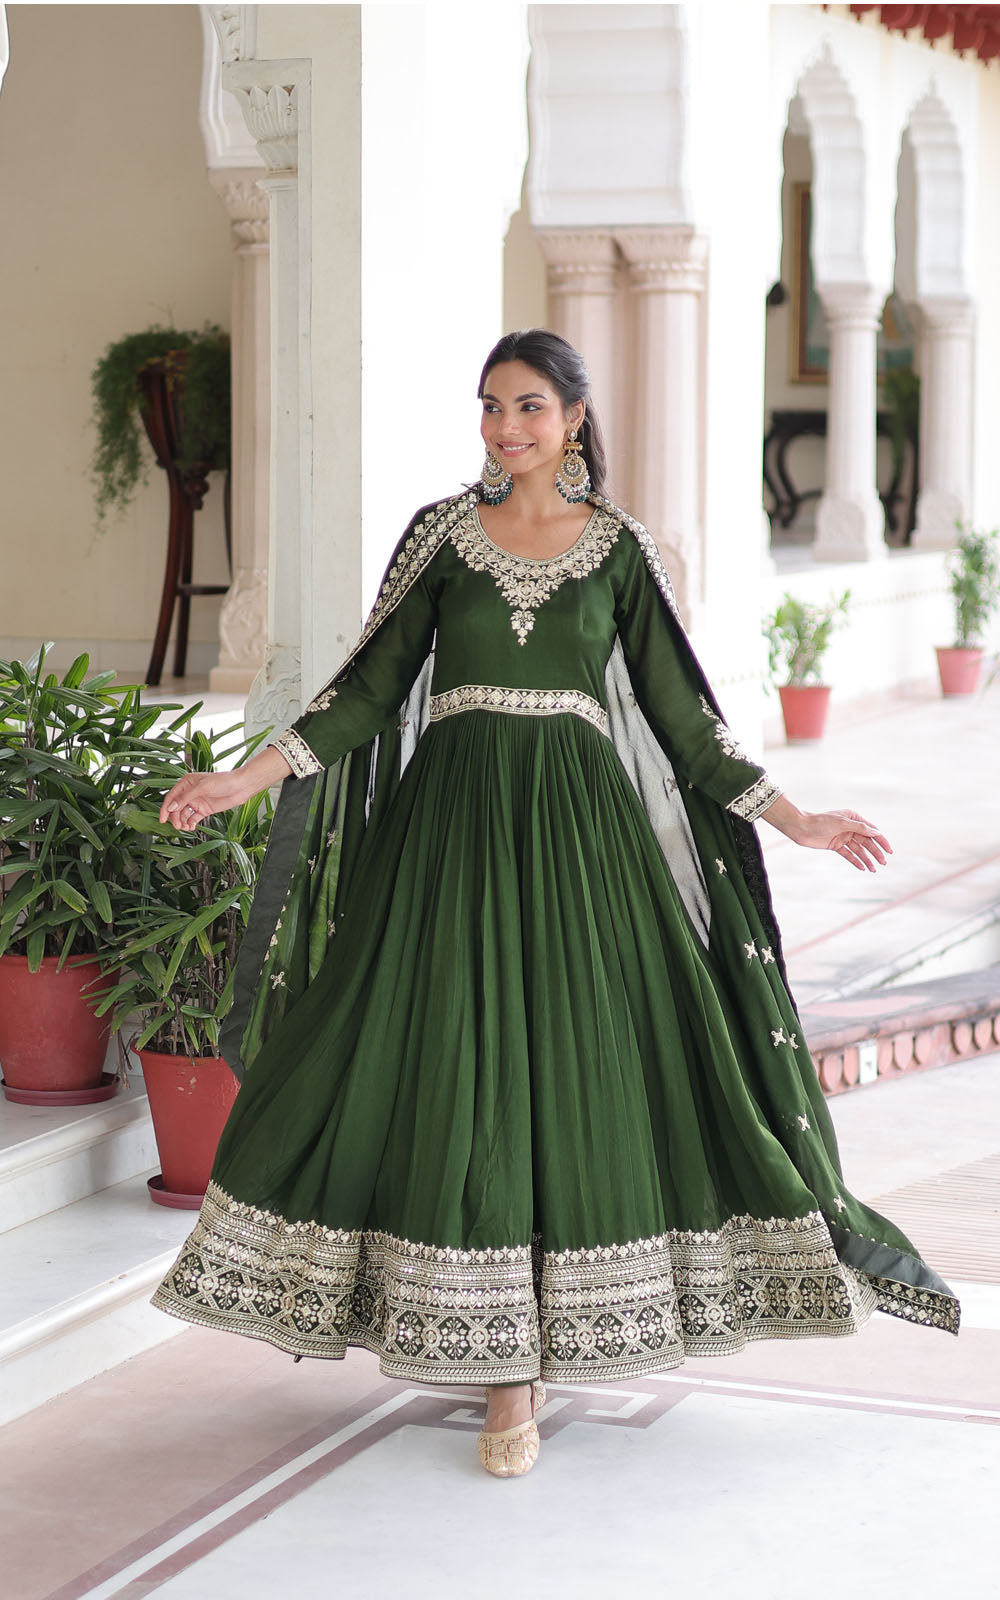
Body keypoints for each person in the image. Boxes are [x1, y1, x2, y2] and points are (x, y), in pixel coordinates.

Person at [153, 329, 959, 1479]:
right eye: (490, 407)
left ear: (574, 417)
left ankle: (538, 1345)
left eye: (528, 407)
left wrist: (798, 818)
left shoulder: (623, 551)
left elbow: (685, 726)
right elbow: (366, 692)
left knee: (577, 1073)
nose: (505, 428)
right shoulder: (441, 537)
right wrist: (246, 773)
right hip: (448, 839)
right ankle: (500, 1371)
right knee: (456, 1068)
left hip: (583, 846)